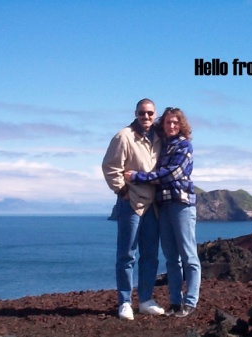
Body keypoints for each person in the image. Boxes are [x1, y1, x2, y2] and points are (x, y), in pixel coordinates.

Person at [124, 107, 201, 318]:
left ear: (181, 124)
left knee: (188, 255)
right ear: (163, 124)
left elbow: (171, 174)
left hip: (181, 204)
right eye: (168, 122)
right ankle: (176, 302)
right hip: (163, 206)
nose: (172, 125)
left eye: (175, 122)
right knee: (171, 258)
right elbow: (144, 128)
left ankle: (191, 302)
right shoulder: (163, 146)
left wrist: (138, 177)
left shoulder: (185, 145)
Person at [102, 98, 165, 320]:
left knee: (150, 255)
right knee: (127, 254)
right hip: (131, 203)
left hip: (153, 204)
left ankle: (146, 299)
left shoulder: (159, 136)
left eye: (149, 113)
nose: (146, 117)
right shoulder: (124, 136)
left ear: (155, 114)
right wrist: (122, 192)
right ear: (136, 113)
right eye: (142, 113)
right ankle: (125, 302)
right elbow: (110, 167)